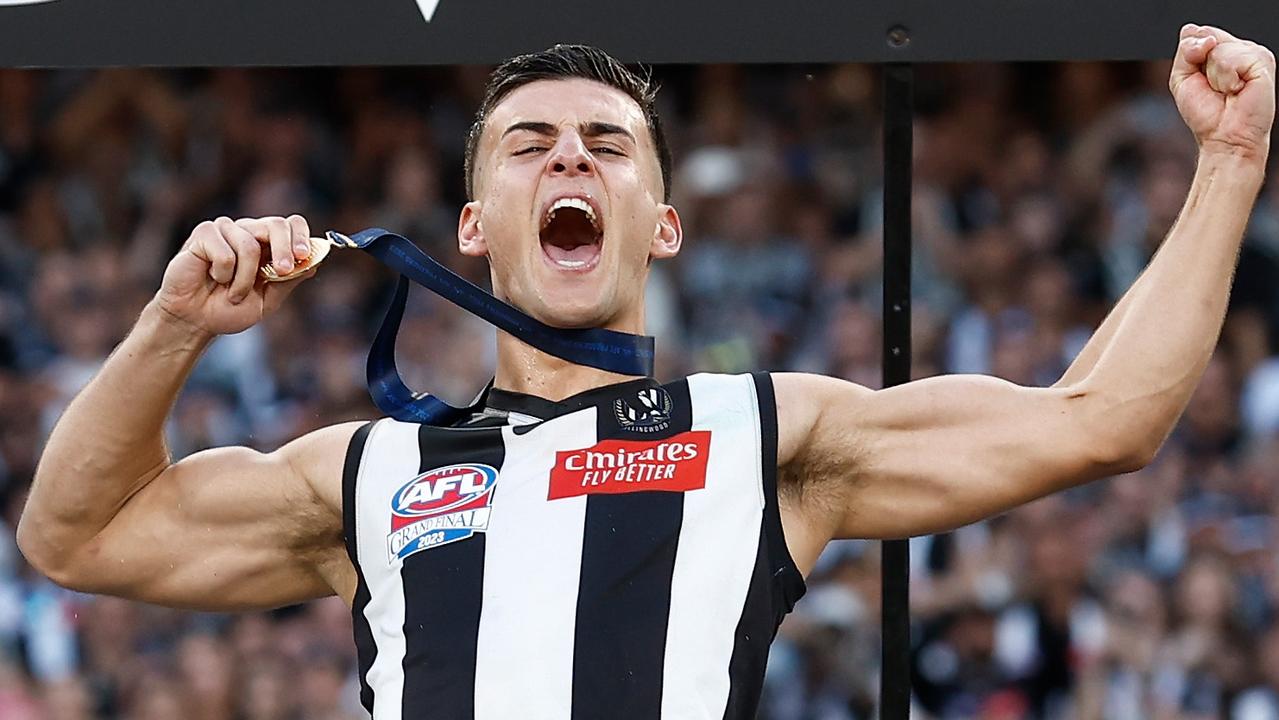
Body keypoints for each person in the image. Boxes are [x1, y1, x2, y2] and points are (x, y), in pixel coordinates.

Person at [15, 23, 1275, 719]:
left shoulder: (763, 434)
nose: (570, 161)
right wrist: (172, 326)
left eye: (608, 146)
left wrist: (1227, 162)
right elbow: (74, 538)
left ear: (662, 224)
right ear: (468, 223)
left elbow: (1104, 418)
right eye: (530, 145)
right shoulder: (366, 470)